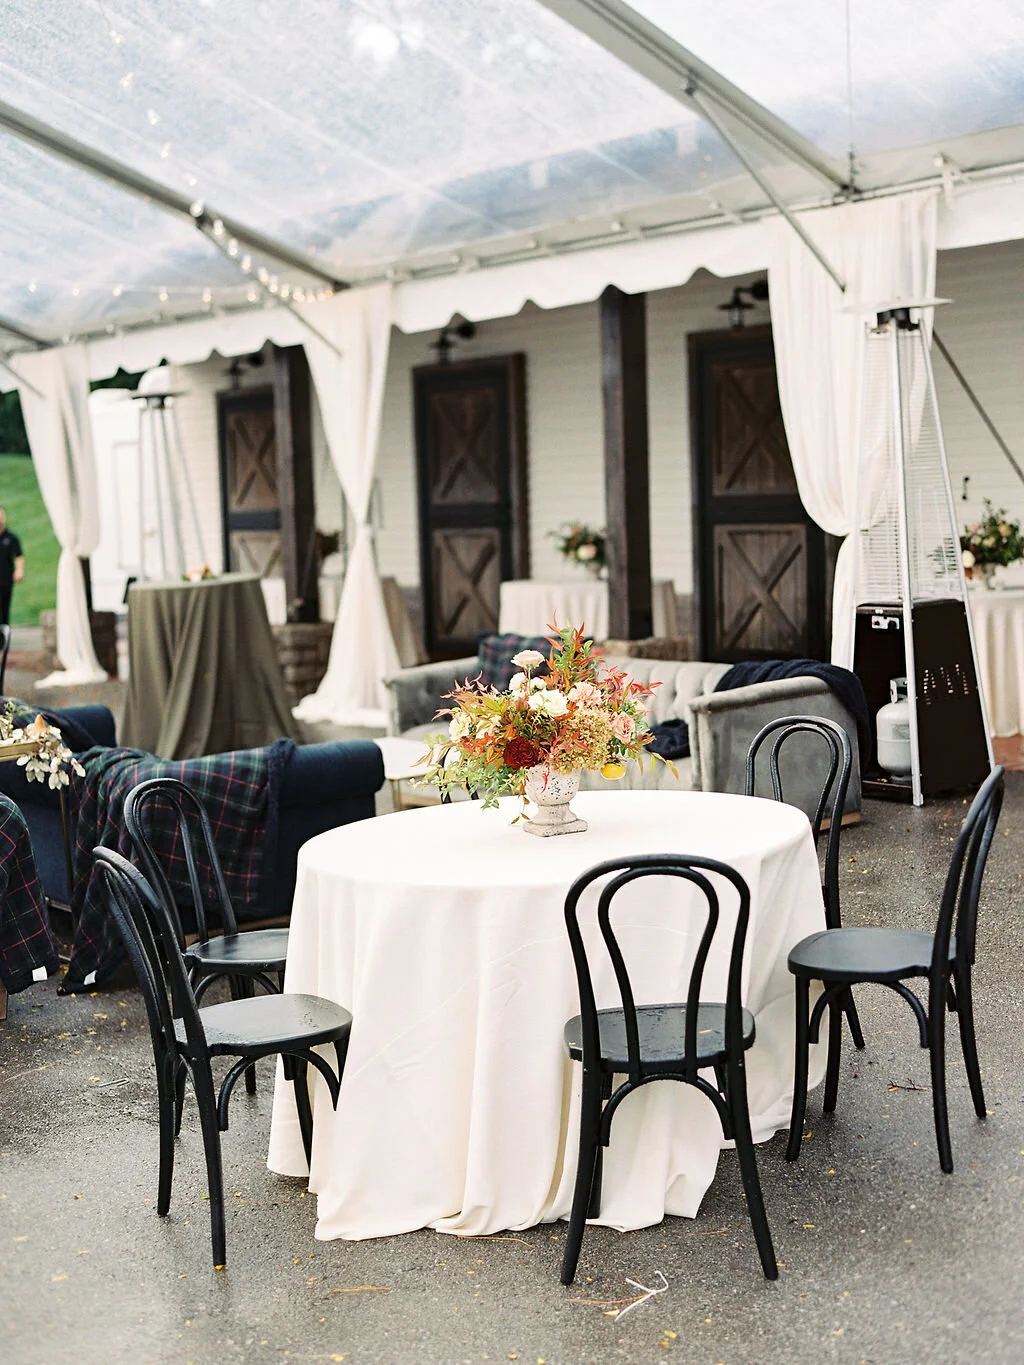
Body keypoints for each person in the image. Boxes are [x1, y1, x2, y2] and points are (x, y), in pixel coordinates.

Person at [0, 506, 24, 627]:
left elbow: (19, 555)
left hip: (5, 579)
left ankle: (4, 639)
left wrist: (19, 570)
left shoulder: (11, 537)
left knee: (4, 610)